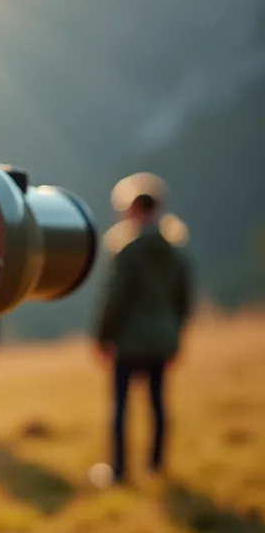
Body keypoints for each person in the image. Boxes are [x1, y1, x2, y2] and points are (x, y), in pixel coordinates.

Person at [94, 172, 193, 485]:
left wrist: (103, 336)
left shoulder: (128, 251)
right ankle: (156, 465)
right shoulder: (175, 251)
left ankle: (119, 471)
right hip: (163, 338)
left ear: (133, 209)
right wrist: (175, 334)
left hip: (129, 340)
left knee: (121, 406)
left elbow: (116, 298)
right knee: (158, 403)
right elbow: (183, 300)